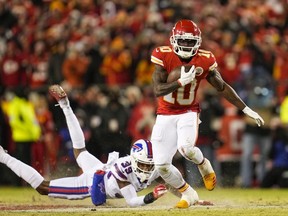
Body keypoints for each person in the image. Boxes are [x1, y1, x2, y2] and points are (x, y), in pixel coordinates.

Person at [150, 19, 265, 208]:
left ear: (198, 41)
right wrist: (180, 82)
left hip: (188, 111)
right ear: (173, 40)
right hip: (164, 113)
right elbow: (157, 90)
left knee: (186, 148)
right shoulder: (162, 55)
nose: (186, 45)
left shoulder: (205, 59)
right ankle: (189, 194)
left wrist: (246, 108)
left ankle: (204, 164)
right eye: (183, 41)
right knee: (161, 165)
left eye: (190, 41)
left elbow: (222, 86)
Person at [0, 85, 167, 207]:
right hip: (92, 183)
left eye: (149, 164)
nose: (147, 168)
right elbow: (131, 201)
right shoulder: (123, 172)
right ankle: (3, 157)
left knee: (80, 150)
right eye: (144, 164)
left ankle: (66, 105)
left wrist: (184, 191)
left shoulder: (153, 167)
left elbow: (168, 175)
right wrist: (151, 196)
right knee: (43, 187)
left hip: (100, 168)